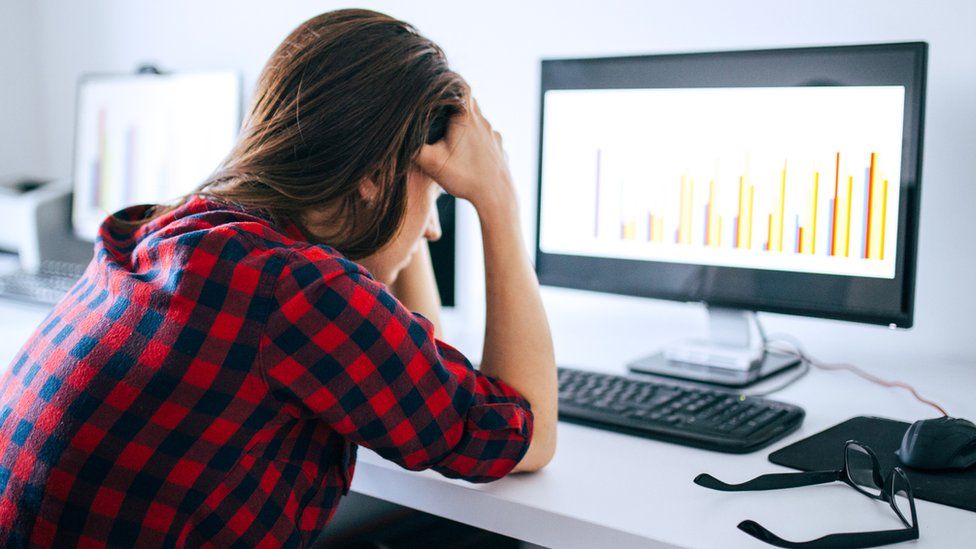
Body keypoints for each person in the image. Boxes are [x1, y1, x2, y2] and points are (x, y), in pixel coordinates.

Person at [0, 9, 556, 547]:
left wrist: (397, 199)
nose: (433, 229)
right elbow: (525, 434)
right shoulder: (297, 294)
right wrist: (498, 199)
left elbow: (409, 373)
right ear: (371, 177)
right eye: (433, 195)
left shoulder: (171, 233)